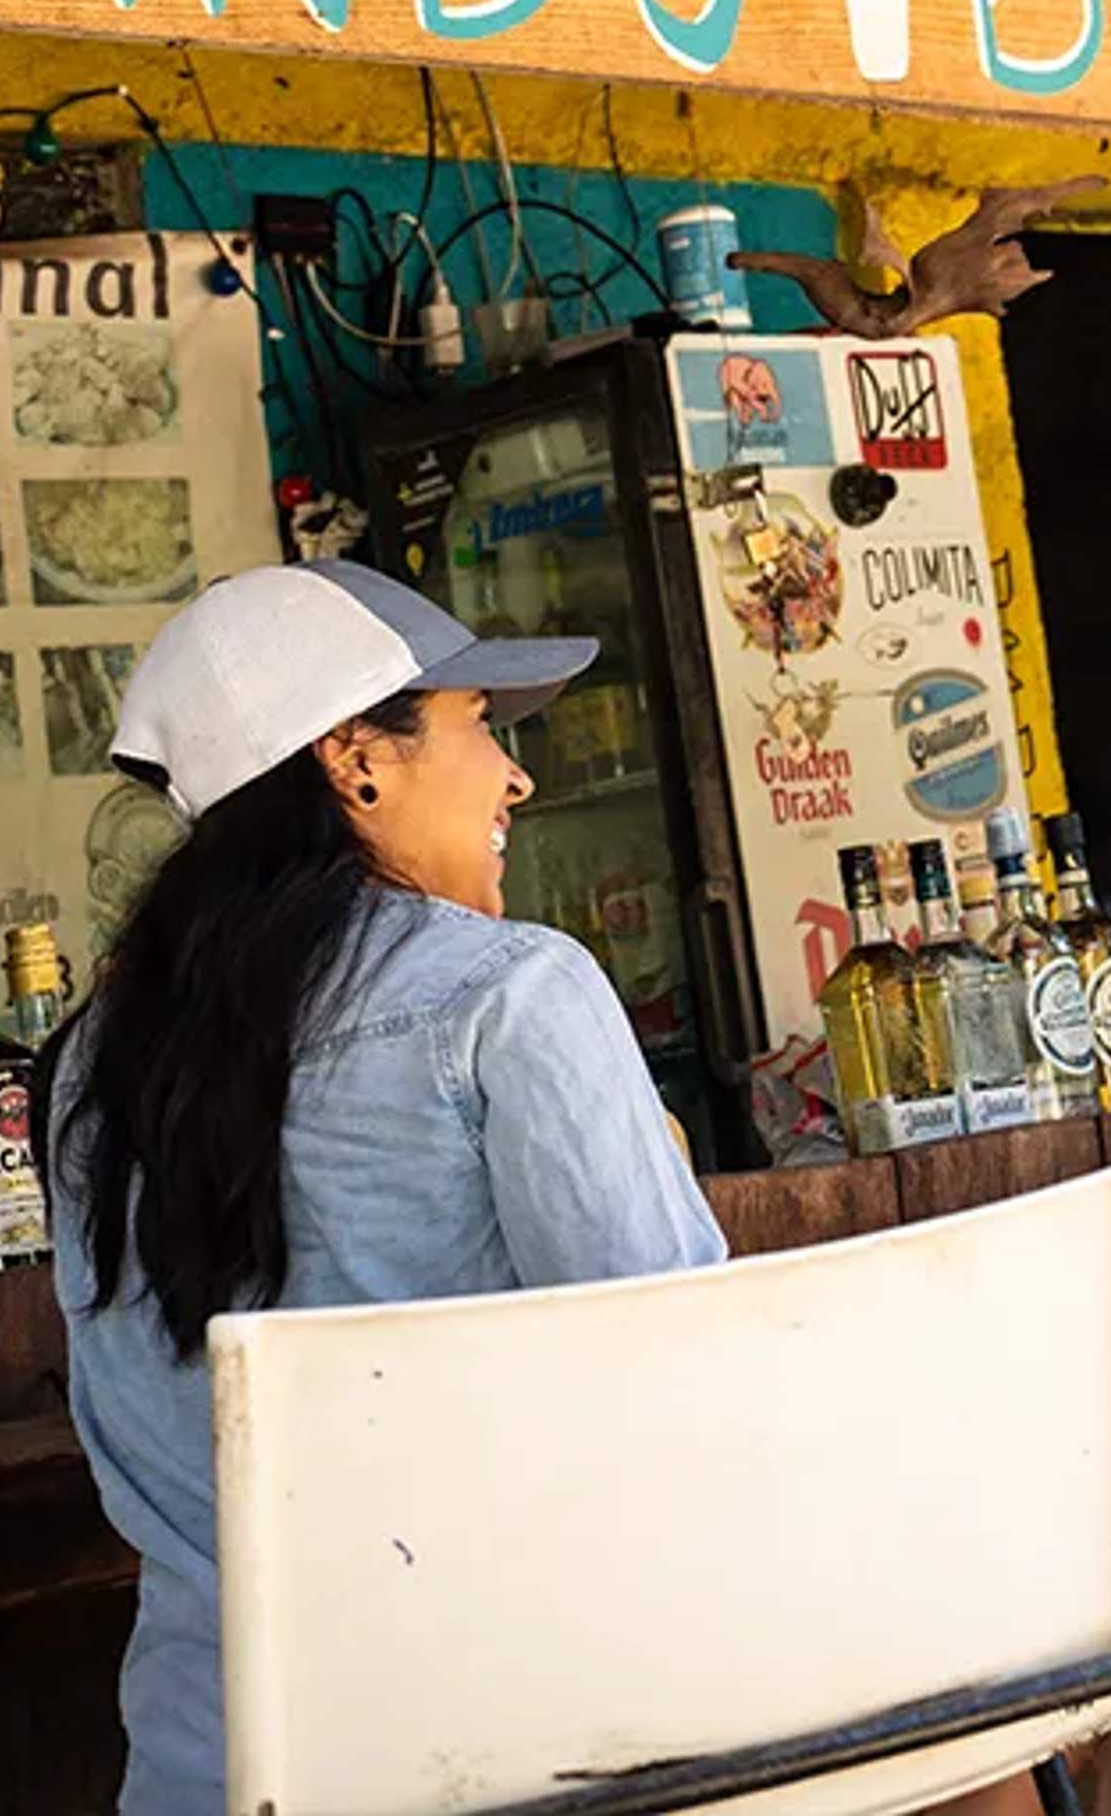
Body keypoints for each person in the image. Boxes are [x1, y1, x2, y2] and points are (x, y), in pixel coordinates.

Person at [52, 560, 724, 1816]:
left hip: (210, 1767)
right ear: (359, 757)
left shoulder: (92, 1059)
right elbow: (690, 1383)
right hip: (514, 1750)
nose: (517, 775)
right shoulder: (515, 989)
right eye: (479, 728)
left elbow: (124, 1436)